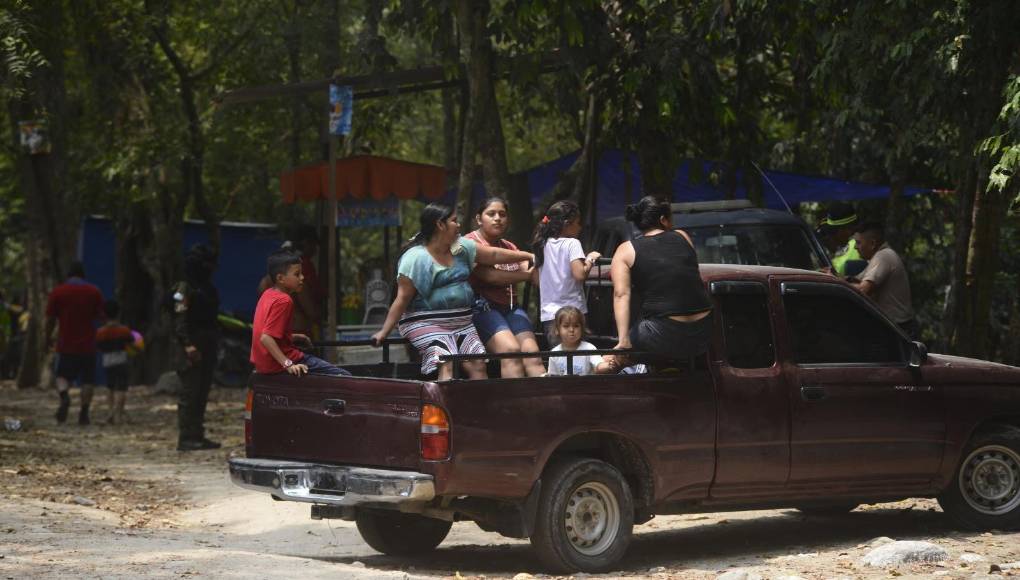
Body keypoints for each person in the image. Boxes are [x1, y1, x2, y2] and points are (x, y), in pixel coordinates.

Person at [370, 203, 535, 381]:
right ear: (440, 225)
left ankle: (482, 407)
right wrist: (384, 332)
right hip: (427, 322)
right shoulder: (416, 258)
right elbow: (402, 299)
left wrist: (527, 255)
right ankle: (446, 407)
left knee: (477, 364)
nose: (458, 225)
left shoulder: (460, 247)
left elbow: (493, 255)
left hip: (462, 324)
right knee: (446, 361)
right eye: (454, 221)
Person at [610, 196, 713, 361]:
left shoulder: (625, 250)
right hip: (704, 332)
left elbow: (621, 294)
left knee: (623, 353)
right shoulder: (683, 236)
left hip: (661, 335)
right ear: (663, 220)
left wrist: (623, 341)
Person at [466, 197, 544, 378]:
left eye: (502, 214)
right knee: (511, 351)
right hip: (482, 308)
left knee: (533, 356)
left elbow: (531, 267)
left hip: (510, 308)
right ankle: (512, 405)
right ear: (479, 219)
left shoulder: (509, 246)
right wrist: (528, 275)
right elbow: (490, 277)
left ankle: (546, 402)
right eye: (491, 214)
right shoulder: (469, 243)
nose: (497, 218)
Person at [251, 250, 350, 377]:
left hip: (263, 365)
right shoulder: (284, 300)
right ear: (280, 278)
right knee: (345, 376)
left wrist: (294, 337)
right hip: (282, 362)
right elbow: (266, 338)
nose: (302, 278)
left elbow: (264, 333)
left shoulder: (268, 294)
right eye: (297, 274)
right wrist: (289, 364)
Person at [172, 243, 221, 451]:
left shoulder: (205, 287)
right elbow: (179, 316)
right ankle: (186, 437)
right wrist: (187, 344)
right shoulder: (184, 287)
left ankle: (197, 434)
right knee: (190, 392)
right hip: (192, 345)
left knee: (201, 391)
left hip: (207, 343)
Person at [532, 200, 601, 347]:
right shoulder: (572, 243)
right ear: (567, 223)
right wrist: (590, 259)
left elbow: (537, 280)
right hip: (573, 313)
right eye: (577, 223)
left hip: (549, 315)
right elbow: (580, 274)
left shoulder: (541, 244)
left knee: (559, 358)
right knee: (579, 358)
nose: (580, 227)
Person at [45, 261, 105, 425]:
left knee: (62, 376)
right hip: (88, 344)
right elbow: (102, 317)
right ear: (83, 274)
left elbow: (50, 319)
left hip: (65, 344)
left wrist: (47, 338)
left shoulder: (58, 292)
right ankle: (84, 413)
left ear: (68, 275)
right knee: (88, 381)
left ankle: (65, 397)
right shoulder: (94, 291)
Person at [850, 222, 919, 339]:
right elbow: (855, 280)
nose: (855, 247)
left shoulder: (883, 256)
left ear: (872, 244)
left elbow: (862, 289)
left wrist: (837, 284)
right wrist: (833, 275)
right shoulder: (878, 257)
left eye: (858, 242)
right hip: (893, 326)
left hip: (898, 329)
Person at [547, 306, 619, 376]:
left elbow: (598, 366)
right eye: (566, 326)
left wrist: (608, 365)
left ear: (582, 328)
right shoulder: (554, 353)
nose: (571, 330)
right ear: (557, 329)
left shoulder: (589, 348)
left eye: (576, 326)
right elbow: (553, 377)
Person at [95, 300, 134, 425]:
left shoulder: (100, 332)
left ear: (104, 314)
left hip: (107, 362)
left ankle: (110, 412)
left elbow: (98, 347)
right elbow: (133, 344)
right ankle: (118, 415)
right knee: (121, 388)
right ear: (118, 313)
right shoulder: (125, 330)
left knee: (110, 387)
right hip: (122, 360)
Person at [816, 201, 863, 276]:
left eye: (834, 232)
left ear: (848, 230)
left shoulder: (860, 245)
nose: (832, 236)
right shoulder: (834, 247)